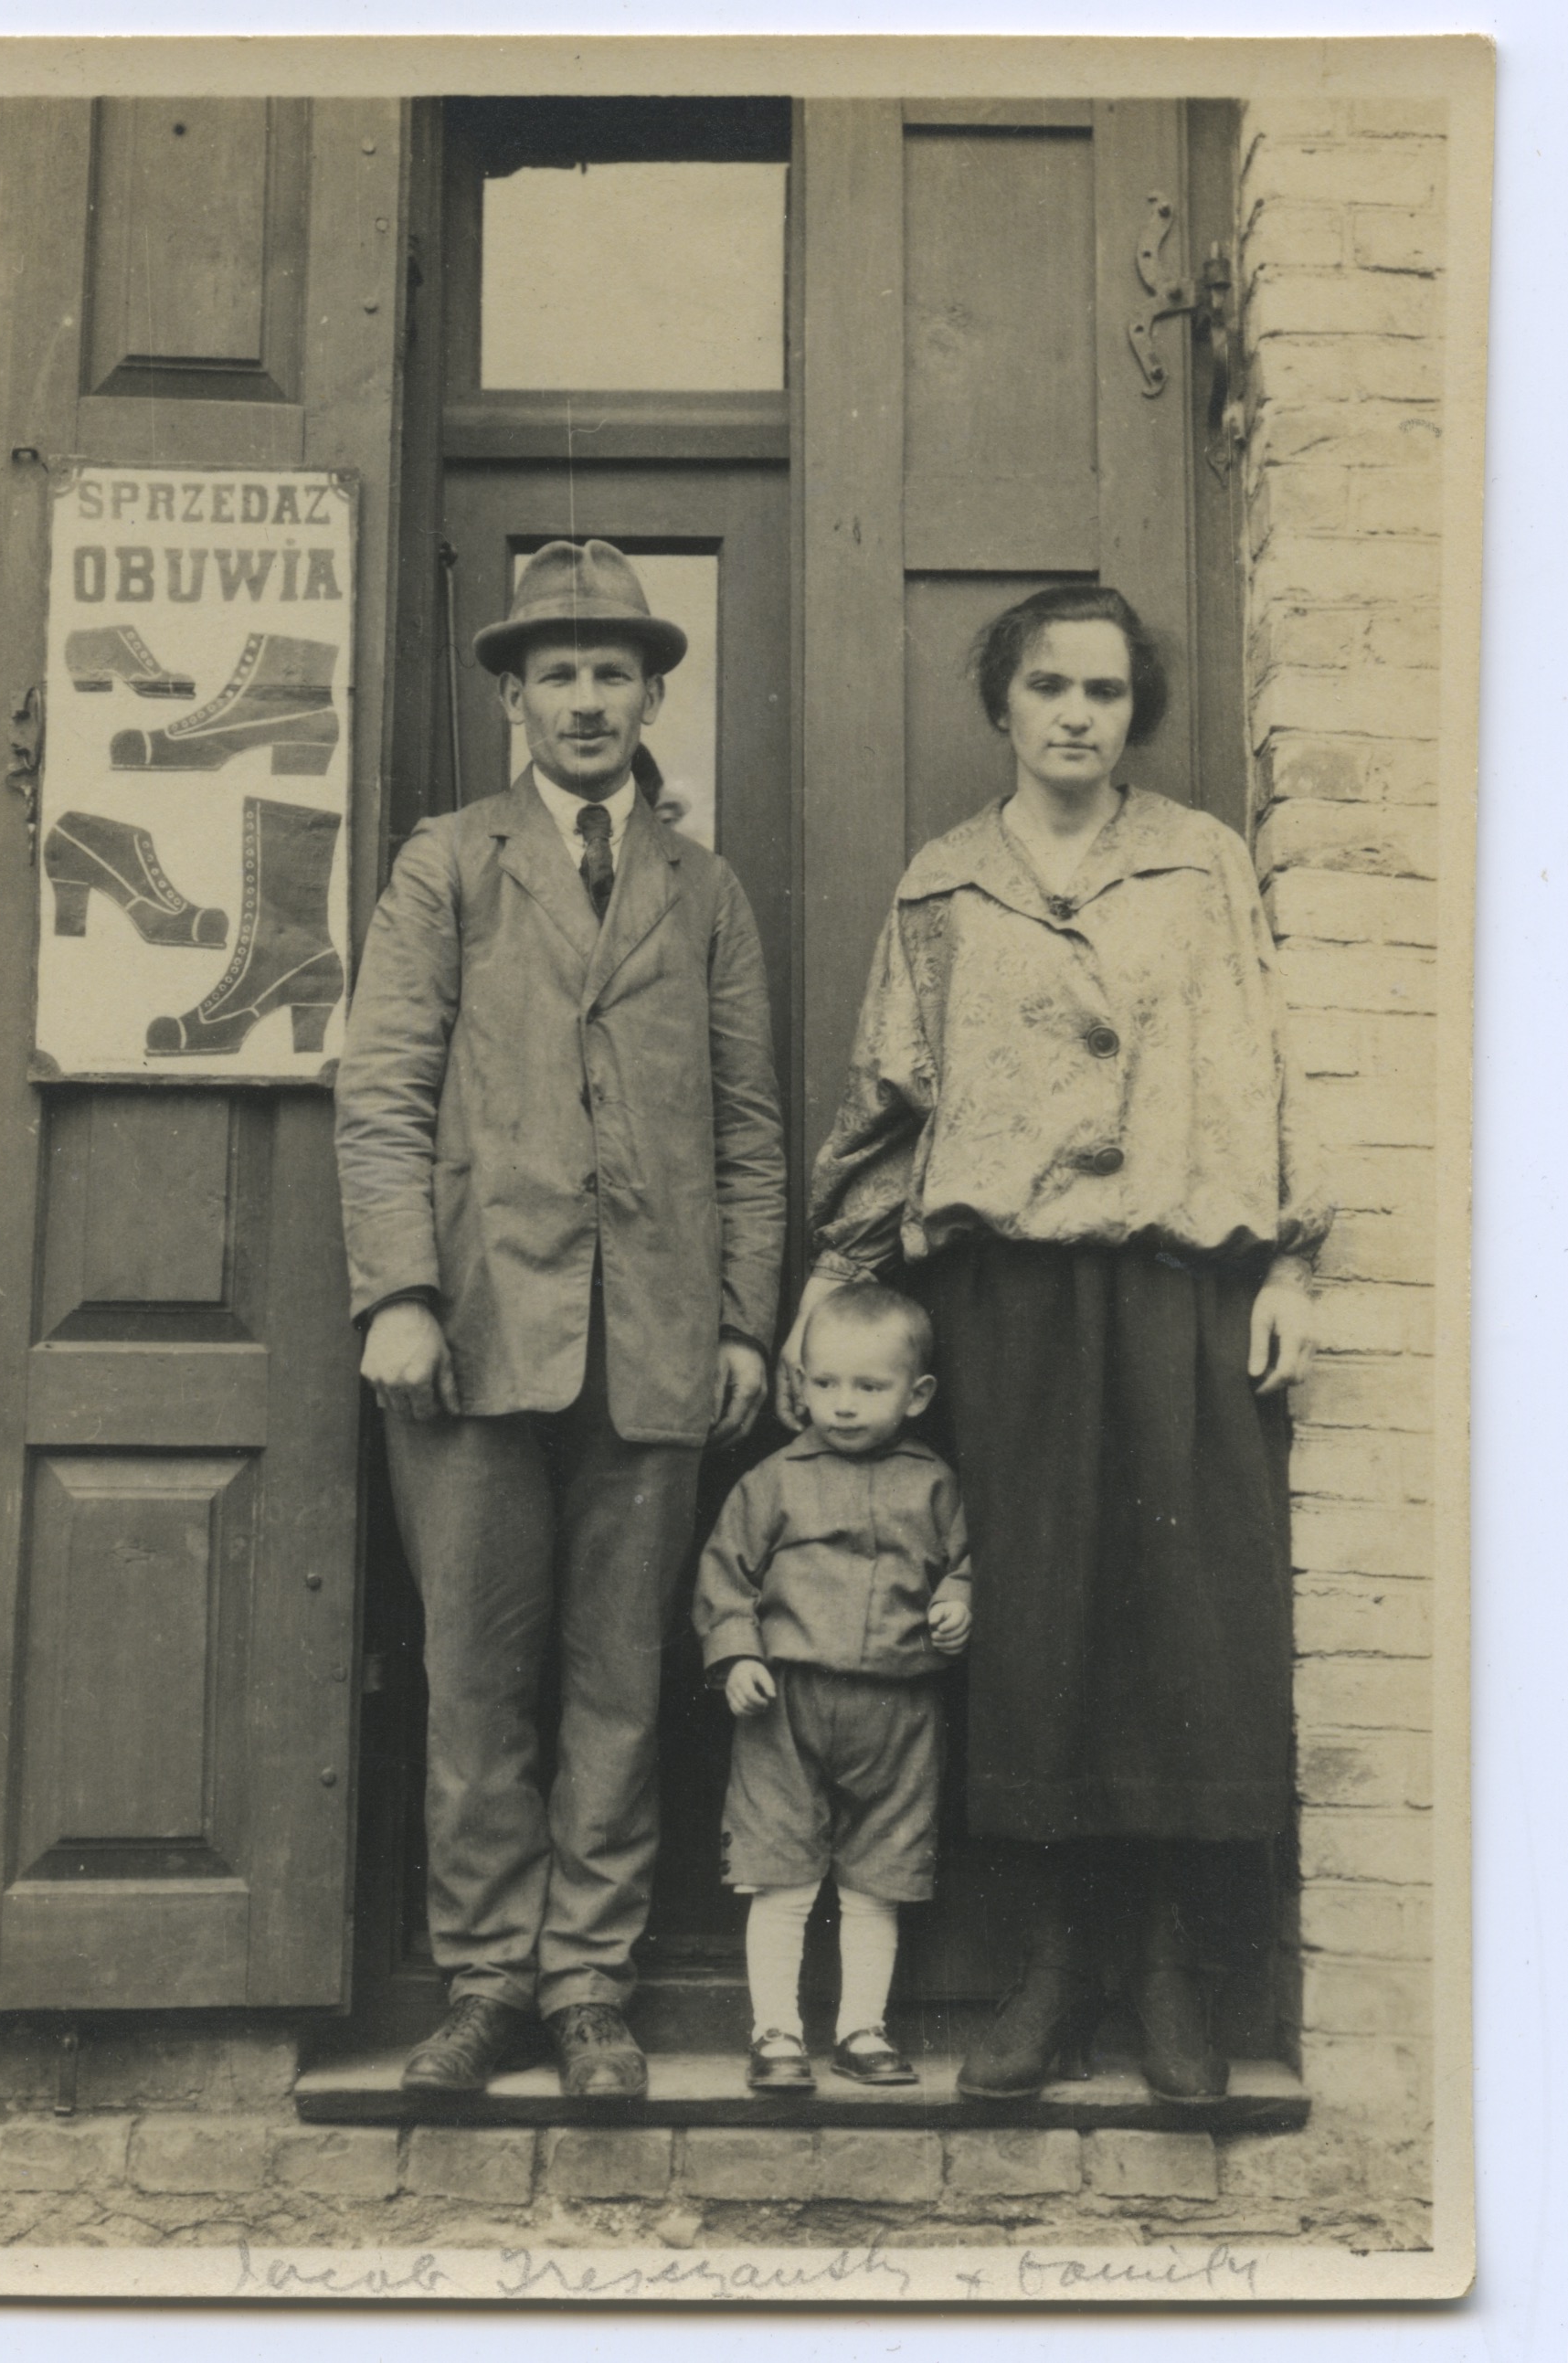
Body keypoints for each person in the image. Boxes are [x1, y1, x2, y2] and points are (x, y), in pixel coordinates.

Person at [779, 583, 1332, 2103]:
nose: (1076, 714)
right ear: (1002, 706)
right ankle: (1050, 1965)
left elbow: (1271, 1061)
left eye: (1103, 690)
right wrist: (836, 1272)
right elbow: (887, 1096)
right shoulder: (945, 885)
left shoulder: (1200, 864)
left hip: (1173, 1286)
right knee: (1029, 1623)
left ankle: (1165, 1972)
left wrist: (1289, 1258)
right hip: (1009, 1297)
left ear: (1131, 711)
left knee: (1177, 1621)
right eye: (1047, 687)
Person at [334, 540, 786, 2098]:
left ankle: (590, 1984)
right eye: (556, 674)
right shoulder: (446, 864)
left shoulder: (702, 888)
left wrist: (743, 1323)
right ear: (512, 701)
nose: (585, 700)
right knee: (473, 1679)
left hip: (655, 1343)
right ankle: (487, 1982)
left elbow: (747, 1128)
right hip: (471, 1333)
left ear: (653, 696)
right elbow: (382, 1093)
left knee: (619, 1684)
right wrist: (399, 1292)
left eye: (612, 673)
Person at [694, 1284, 972, 2093]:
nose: (842, 1405)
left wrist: (959, 1599)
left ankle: (861, 2029)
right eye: (824, 1384)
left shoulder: (935, 1484)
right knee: (780, 1874)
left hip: (900, 1708)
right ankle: (775, 2032)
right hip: (785, 1706)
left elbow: (965, 1561)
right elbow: (724, 1575)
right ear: (802, 1382)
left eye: (868, 1387)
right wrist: (737, 1655)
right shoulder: (773, 1480)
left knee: (877, 1879)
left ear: (916, 1394)